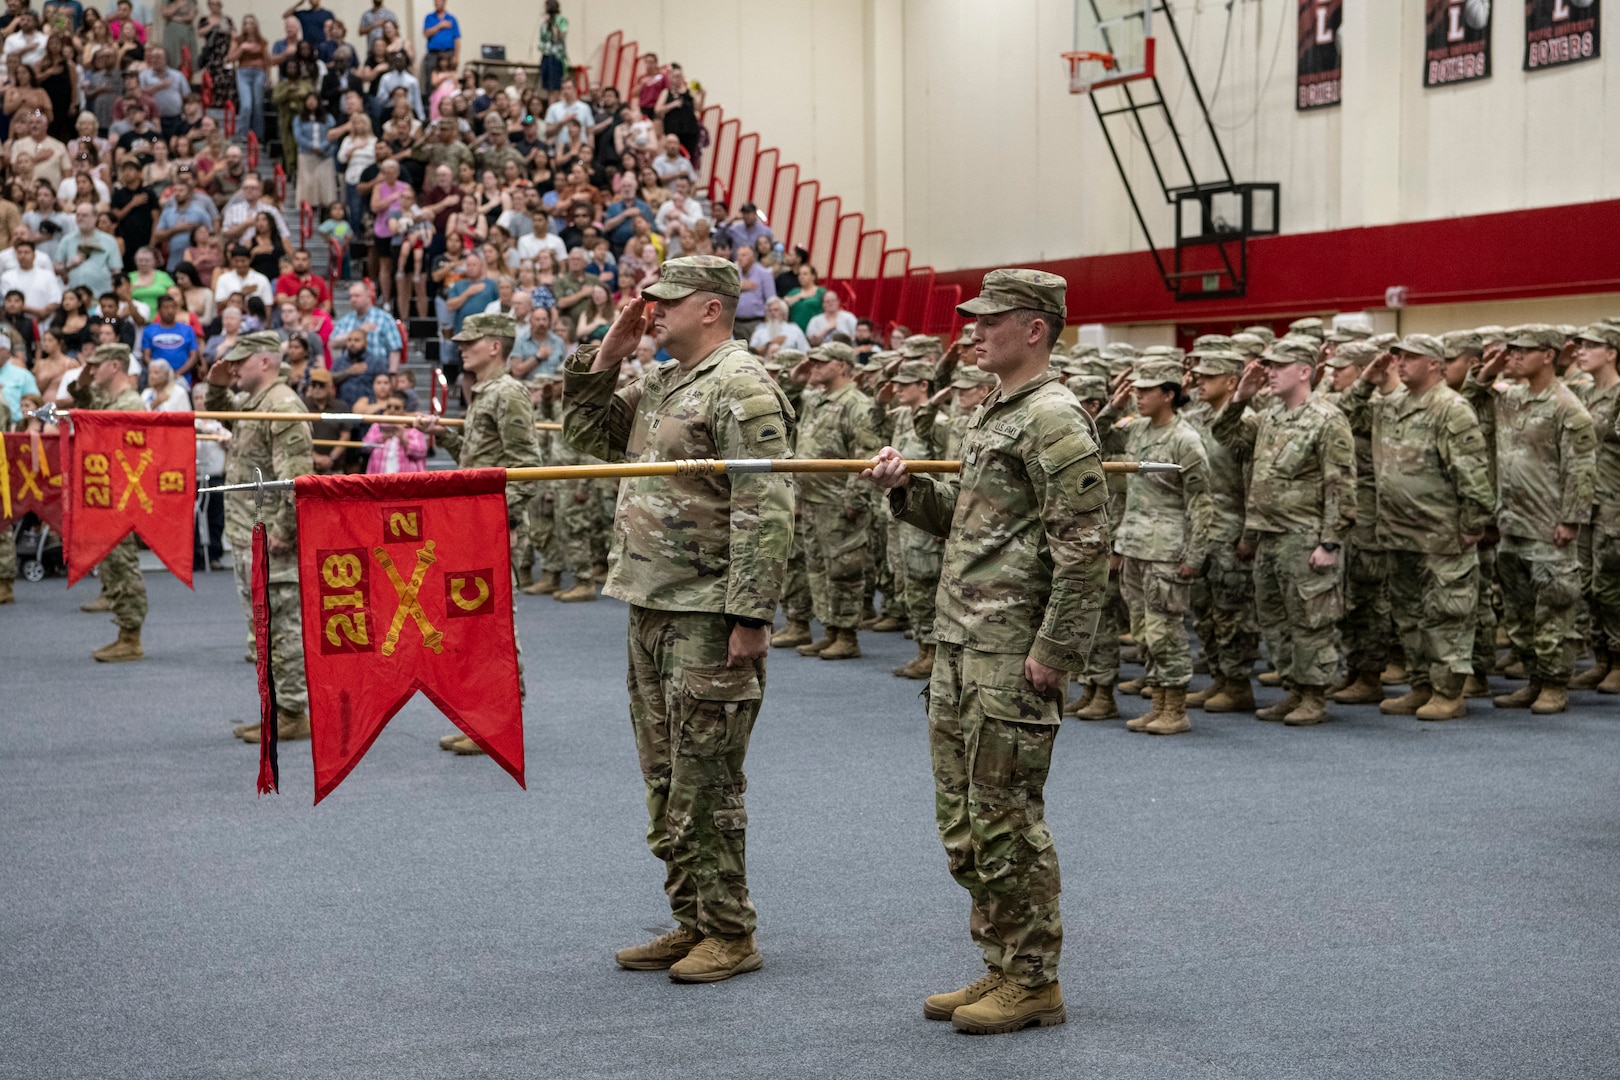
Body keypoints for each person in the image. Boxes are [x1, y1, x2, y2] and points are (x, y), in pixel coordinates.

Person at [862, 269, 1108, 1034]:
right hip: (962, 642)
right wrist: (905, 491)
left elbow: (1087, 550)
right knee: (964, 819)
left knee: (1005, 816)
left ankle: (1035, 980)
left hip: (1010, 651)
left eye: (989, 320)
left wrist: (1054, 650)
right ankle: (1003, 962)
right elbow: (977, 529)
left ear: (1034, 329)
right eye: (971, 319)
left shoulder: (1056, 419)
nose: (971, 330)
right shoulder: (995, 413)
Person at [560, 256, 794, 983]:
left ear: (712, 309)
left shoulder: (741, 386)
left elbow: (768, 505)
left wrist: (751, 615)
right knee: (664, 775)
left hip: (706, 611)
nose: (651, 311)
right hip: (652, 603)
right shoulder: (664, 379)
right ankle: (692, 917)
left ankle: (730, 931)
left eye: (666, 302)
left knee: (707, 779)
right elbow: (586, 437)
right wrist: (608, 354)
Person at [1339, 334, 1496, 720]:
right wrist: (1365, 381)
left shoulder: (1451, 408)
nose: (1401, 363)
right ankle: (1421, 685)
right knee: (1408, 615)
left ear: (1433, 364)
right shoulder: (1390, 406)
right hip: (1398, 530)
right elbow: (1344, 415)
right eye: (1399, 357)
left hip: (1442, 531)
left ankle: (1448, 693)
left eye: (1410, 357)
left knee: (1447, 612)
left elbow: (1472, 472)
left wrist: (1474, 522)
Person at [411, 312, 540, 749]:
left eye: (471, 342)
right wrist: (444, 437)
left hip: (490, 526)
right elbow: (478, 457)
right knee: (475, 624)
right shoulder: (485, 393)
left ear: (495, 347)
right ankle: (485, 717)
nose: (461, 348)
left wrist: (498, 518)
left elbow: (528, 468)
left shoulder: (507, 393)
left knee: (493, 625)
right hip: (471, 525)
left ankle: (501, 721)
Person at [1215, 336, 1357, 725]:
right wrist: (1242, 396)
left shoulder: (1327, 419)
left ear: (1305, 371)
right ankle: (1294, 690)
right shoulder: (1269, 417)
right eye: (1268, 366)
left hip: (1305, 536)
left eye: (1278, 367)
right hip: (1268, 536)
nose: (1269, 373)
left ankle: (1314, 696)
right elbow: (1225, 436)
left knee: (1311, 621)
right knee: (1275, 622)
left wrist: (1330, 541)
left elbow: (1341, 485)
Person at [1466, 325, 1597, 714]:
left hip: (1548, 524)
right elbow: (1471, 400)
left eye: (1524, 350)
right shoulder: (1513, 398)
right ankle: (1534, 678)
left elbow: (1582, 469)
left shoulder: (1566, 406)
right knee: (1519, 609)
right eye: (1512, 350)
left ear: (1549, 355)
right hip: (1512, 521)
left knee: (1554, 606)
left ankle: (1554, 684)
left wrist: (1571, 519)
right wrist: (1488, 370)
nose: (1515, 357)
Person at [207, 329, 315, 740]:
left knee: (281, 626)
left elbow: (297, 478)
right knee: (263, 626)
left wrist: (286, 531)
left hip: (272, 537)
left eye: (241, 360)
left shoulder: (282, 405)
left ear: (265, 361)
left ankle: (293, 712)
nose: (233, 366)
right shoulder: (258, 402)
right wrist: (217, 387)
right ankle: (280, 708)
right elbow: (226, 416)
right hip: (250, 533)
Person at [1104, 355, 1213, 733]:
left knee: (1166, 630)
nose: (1137, 395)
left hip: (1168, 550)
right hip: (1134, 544)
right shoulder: (1136, 429)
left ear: (1169, 394)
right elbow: (1099, 436)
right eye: (1135, 388)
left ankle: (1176, 709)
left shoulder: (1186, 441)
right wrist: (1112, 407)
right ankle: (1158, 703)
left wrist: (1195, 556)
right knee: (1143, 630)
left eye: (1146, 389)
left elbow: (1202, 503)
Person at [778, 341, 878, 659]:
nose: (814, 367)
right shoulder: (816, 398)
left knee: (844, 570)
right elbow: (784, 403)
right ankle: (831, 629)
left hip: (839, 502)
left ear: (842, 366)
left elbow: (865, 454)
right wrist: (793, 379)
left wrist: (856, 498)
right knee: (818, 570)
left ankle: (847, 635)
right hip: (812, 499)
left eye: (822, 363)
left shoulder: (857, 404)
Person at [69, 343, 149, 661]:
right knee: (113, 564)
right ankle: (125, 632)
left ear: (114, 366)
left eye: (96, 365)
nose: (91, 370)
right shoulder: (109, 398)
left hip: (123, 496)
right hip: (106, 494)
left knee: (123, 565)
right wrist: (83, 384)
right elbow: (86, 405)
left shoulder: (130, 404)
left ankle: (132, 636)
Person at [139, 291, 199, 383]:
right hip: (158, 378)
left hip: (182, 378)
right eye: (166, 308)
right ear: (159, 310)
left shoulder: (187, 329)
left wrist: (178, 373)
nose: (170, 311)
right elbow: (146, 357)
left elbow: (194, 356)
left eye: (173, 307)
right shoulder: (149, 330)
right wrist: (160, 373)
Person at [362, 391, 427, 472]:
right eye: (389, 407)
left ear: (404, 410)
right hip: (380, 478)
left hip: (405, 480)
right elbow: (365, 446)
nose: (392, 410)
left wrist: (403, 438)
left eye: (397, 408)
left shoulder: (414, 428)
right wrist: (382, 436)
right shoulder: (377, 425)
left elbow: (421, 452)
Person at [418, 0, 457, 89]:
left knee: (450, 77)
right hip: (433, 54)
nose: (436, 3)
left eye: (439, 1)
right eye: (435, 1)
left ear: (444, 2)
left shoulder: (452, 18)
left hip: (448, 52)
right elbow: (426, 34)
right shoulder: (429, 17)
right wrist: (440, 25)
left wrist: (456, 56)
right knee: (430, 79)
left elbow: (457, 39)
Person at [537, 0, 567, 93]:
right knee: (546, 85)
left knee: (555, 86)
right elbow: (542, 39)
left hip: (556, 56)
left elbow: (560, 37)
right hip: (546, 55)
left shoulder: (561, 20)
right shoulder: (544, 23)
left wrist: (553, 24)